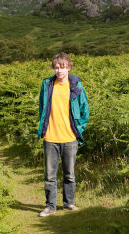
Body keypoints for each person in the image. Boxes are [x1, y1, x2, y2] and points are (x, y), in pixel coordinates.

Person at [37, 52, 89, 217]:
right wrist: (44, 129)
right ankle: (50, 207)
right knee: (50, 176)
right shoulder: (47, 85)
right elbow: (41, 108)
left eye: (63, 67)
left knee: (70, 174)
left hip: (70, 138)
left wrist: (77, 130)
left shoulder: (76, 86)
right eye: (57, 67)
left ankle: (69, 203)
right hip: (50, 138)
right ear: (54, 68)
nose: (59, 71)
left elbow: (84, 110)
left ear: (69, 68)